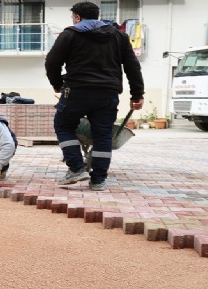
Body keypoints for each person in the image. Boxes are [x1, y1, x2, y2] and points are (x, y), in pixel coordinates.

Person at [45, 1, 144, 191]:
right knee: (103, 135)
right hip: (108, 94)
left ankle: (76, 169)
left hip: (77, 91)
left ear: (77, 17)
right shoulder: (119, 36)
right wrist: (137, 94)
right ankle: (98, 180)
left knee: (63, 125)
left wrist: (57, 84)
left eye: (73, 17)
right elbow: (132, 67)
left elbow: (52, 62)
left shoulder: (70, 34)